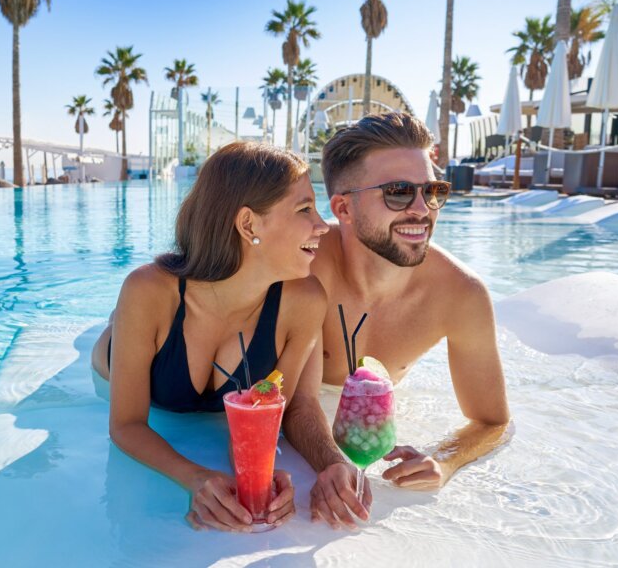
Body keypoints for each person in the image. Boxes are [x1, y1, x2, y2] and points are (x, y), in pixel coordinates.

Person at [91, 141, 336, 532]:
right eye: (305, 208)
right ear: (249, 225)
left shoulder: (305, 300)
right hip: (113, 358)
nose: (322, 225)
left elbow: (283, 407)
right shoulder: (148, 291)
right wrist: (195, 478)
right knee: (117, 325)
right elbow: (126, 424)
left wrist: (266, 478)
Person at [309, 112, 511, 500]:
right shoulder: (302, 270)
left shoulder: (460, 294)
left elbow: (491, 420)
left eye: (432, 191)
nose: (422, 209)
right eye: (399, 192)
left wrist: (445, 460)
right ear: (343, 209)